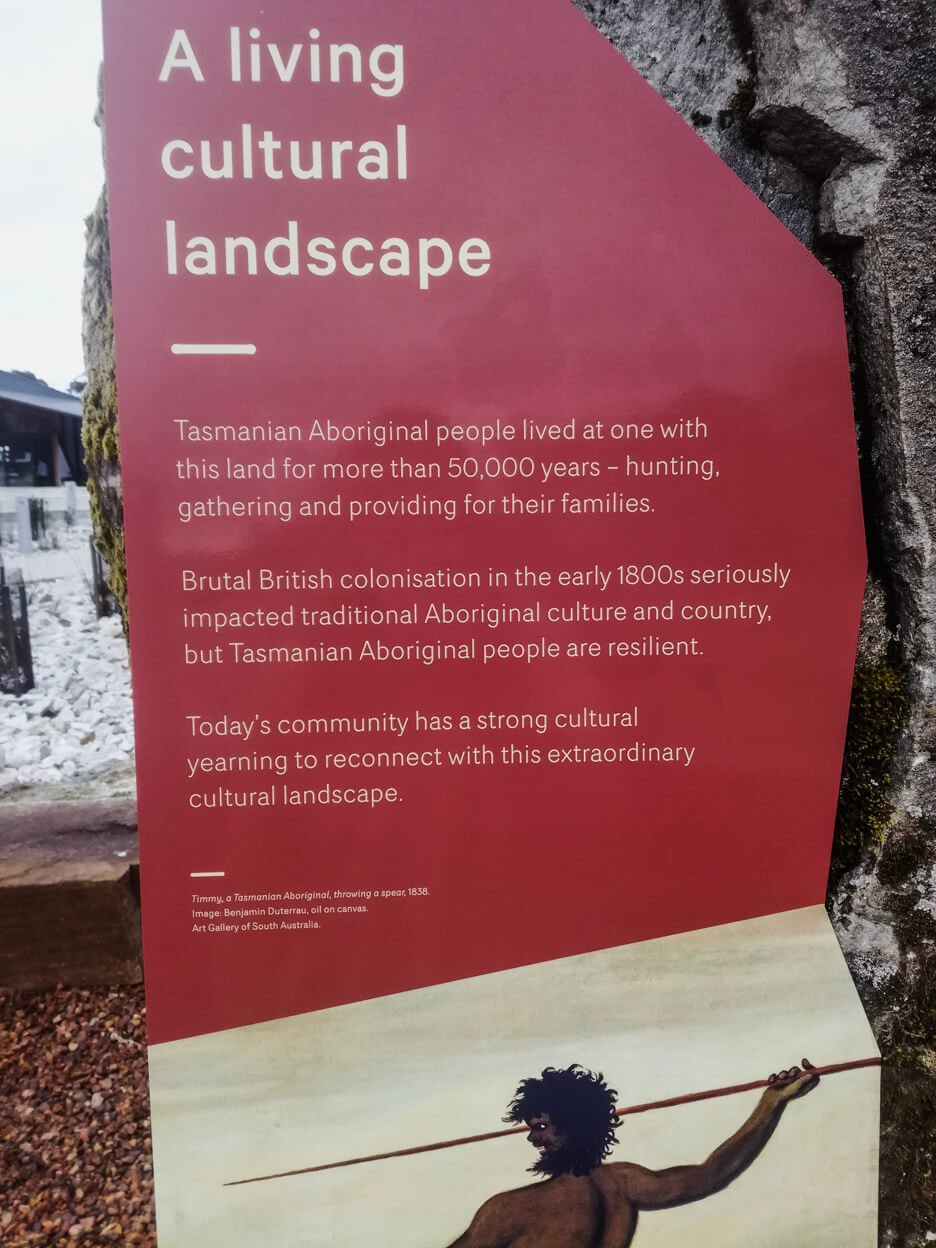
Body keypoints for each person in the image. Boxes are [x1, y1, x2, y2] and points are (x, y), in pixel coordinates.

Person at [445, 1059, 819, 1247]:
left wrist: (772, 1102)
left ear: (572, 1122)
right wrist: (771, 1104)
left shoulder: (507, 1210)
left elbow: (712, 1174)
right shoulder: (624, 1184)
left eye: (540, 1127)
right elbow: (714, 1173)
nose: (533, 1139)